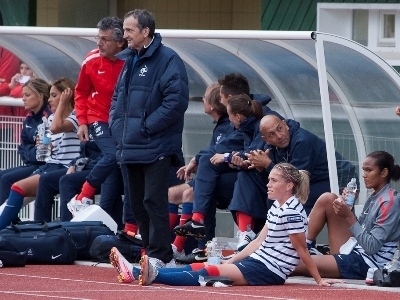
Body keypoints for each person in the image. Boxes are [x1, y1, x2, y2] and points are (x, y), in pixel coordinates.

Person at [109, 162, 343, 287]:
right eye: (269, 180)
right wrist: (232, 259)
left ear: (289, 185)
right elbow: (259, 242)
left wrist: (319, 280)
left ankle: (145, 273)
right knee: (209, 268)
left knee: (211, 272)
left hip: (270, 270)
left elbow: (302, 249)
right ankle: (142, 272)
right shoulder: (279, 206)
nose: (268, 184)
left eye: (273, 181)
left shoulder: (292, 210)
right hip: (260, 262)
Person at [109, 9, 189, 269]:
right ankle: (152, 251)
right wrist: (116, 123)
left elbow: (176, 102)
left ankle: (160, 255)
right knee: (135, 202)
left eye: (130, 30)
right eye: (125, 29)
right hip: (129, 144)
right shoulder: (130, 60)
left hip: (155, 145)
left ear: (146, 32)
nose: (125, 35)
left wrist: (145, 127)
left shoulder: (168, 60)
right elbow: (118, 98)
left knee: (153, 200)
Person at [227, 114, 356, 250]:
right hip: (309, 179)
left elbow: (296, 179)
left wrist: (267, 164)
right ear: (265, 139)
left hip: (336, 180)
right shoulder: (269, 145)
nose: (279, 136)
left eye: (280, 129)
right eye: (272, 134)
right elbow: (259, 160)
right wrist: (255, 166)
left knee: (290, 196)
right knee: (247, 176)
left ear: (285, 125)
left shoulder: (303, 140)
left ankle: (304, 243)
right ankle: (247, 232)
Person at [293, 151, 400, 282]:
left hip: (367, 263)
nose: (364, 175)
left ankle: (301, 256)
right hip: (355, 250)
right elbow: (361, 230)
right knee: (328, 199)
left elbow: (372, 246)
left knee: (292, 264)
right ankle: (302, 249)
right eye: (363, 170)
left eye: (369, 170)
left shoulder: (389, 202)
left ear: (384, 173)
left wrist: (348, 215)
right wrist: (350, 208)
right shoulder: (375, 196)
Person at [0, 77, 80, 229]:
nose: (50, 100)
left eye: (54, 96)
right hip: (50, 165)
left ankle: (27, 230)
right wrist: (45, 146)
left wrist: (63, 104)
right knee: (13, 185)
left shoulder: (76, 116)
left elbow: (56, 128)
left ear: (66, 96)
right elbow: (41, 152)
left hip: (66, 167)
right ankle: (13, 229)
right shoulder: (49, 119)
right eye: (50, 96)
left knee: (18, 185)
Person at [169, 82, 234, 263]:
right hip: (211, 176)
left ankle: (180, 247)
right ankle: (166, 243)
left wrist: (198, 159)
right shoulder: (220, 125)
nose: (202, 101)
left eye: (204, 98)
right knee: (172, 193)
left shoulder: (230, 125)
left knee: (190, 192)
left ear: (212, 105)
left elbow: (223, 152)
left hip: (225, 179)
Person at [68, 16, 126, 216]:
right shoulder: (91, 60)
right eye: (98, 38)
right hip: (98, 116)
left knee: (122, 163)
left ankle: (126, 228)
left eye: (105, 39)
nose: (99, 43)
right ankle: (81, 197)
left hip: (122, 121)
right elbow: (81, 92)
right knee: (111, 155)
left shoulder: (132, 61)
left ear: (120, 42)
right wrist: (82, 122)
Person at [0, 78, 53, 205]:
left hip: (45, 166)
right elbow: (22, 148)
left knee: (6, 179)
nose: (23, 98)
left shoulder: (48, 117)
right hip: (31, 163)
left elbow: (43, 155)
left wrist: (31, 151)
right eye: (23, 95)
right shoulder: (29, 118)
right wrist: (32, 150)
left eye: (27, 95)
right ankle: (9, 220)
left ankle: (5, 220)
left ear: (40, 96)